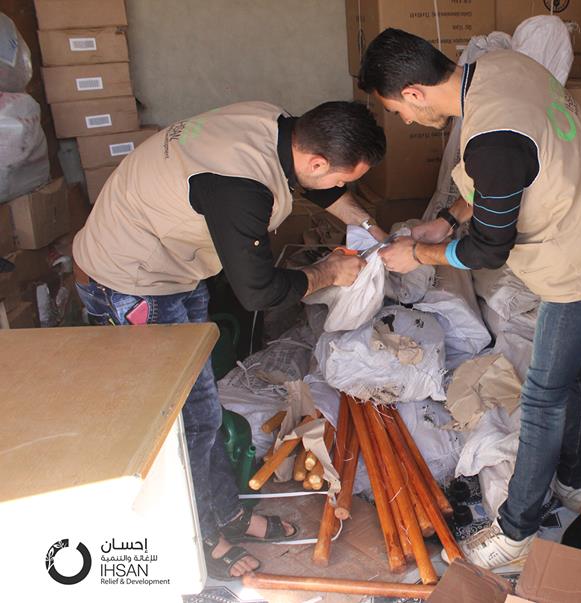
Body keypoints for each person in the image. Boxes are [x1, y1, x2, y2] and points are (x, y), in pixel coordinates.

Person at [358, 30, 581, 569]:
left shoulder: (489, 138)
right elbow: (504, 183)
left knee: (541, 398)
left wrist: (418, 258)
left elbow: (488, 248)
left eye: (396, 109)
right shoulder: (500, 69)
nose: (403, 120)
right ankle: (575, 483)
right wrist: (441, 223)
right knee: (578, 366)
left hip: (580, 260)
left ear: (415, 92)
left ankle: (516, 536)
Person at [71, 100, 386, 578]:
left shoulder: (277, 125)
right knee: (177, 425)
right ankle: (199, 542)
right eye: (343, 179)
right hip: (131, 281)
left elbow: (318, 189)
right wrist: (329, 271)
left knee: (203, 411)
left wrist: (371, 229)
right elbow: (258, 291)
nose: (341, 189)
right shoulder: (241, 187)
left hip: (170, 265)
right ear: (318, 161)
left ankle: (225, 513)